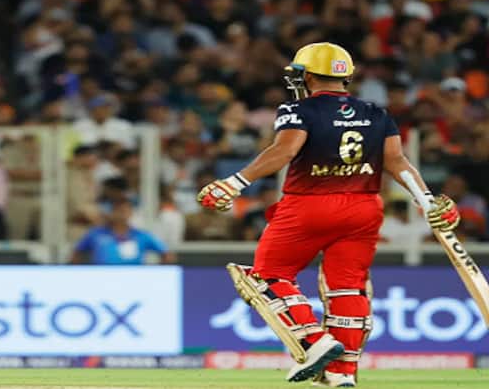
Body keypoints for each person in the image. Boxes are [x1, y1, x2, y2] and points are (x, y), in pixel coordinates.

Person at [196, 42, 461, 387]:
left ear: (307, 76)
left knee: (267, 275)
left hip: (309, 205)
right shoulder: (376, 112)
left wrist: (234, 182)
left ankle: (313, 340)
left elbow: (284, 150)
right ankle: (342, 372)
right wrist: (426, 200)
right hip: (364, 208)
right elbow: (397, 162)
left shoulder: (298, 109)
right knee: (347, 288)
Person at [71, 198, 175, 265]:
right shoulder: (96, 234)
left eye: (125, 211)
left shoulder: (141, 235)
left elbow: (167, 254)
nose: (122, 215)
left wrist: (158, 274)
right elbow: (76, 253)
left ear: (131, 213)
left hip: (134, 280)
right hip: (102, 280)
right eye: (119, 211)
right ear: (112, 212)